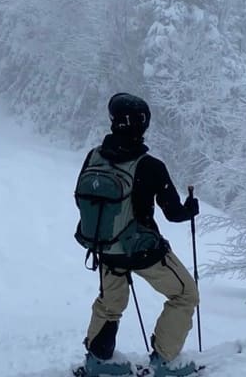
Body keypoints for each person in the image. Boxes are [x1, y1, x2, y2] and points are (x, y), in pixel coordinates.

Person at [76, 92, 200, 377]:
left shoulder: (93, 157)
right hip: (142, 250)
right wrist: (191, 208)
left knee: (110, 304)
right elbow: (173, 213)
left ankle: (97, 361)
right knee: (185, 294)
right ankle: (164, 362)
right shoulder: (151, 166)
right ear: (142, 125)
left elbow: (81, 200)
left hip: (105, 248)